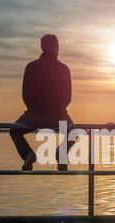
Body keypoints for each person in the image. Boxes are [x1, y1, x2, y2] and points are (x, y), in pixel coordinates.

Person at [10, 34, 75, 171]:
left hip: (33, 115)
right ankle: (60, 155)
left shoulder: (31, 67)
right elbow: (68, 96)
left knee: (14, 130)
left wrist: (33, 110)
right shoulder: (64, 69)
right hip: (58, 116)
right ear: (56, 47)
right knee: (76, 132)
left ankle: (28, 154)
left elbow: (25, 94)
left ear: (42, 47)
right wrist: (60, 109)